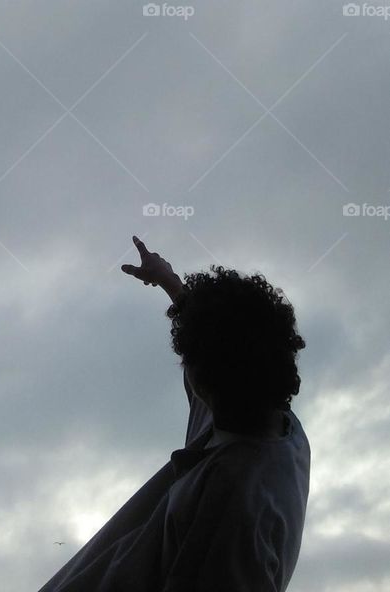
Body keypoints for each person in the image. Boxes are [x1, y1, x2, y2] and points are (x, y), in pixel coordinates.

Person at [37, 238, 310, 591]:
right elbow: (227, 335)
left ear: (205, 379)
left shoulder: (236, 504)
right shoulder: (259, 419)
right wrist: (169, 283)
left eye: (191, 360)